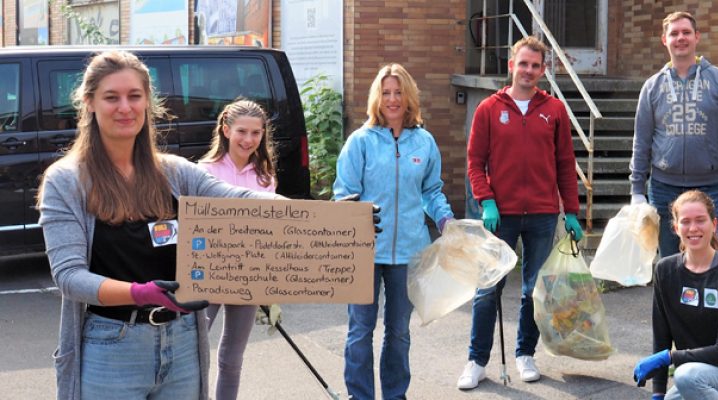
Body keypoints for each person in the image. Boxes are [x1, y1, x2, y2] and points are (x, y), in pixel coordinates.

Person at [37, 51, 281, 400]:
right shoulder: (67, 180)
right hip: (111, 348)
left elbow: (234, 198)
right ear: (89, 102)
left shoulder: (176, 172)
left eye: (135, 96)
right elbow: (69, 277)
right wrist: (140, 293)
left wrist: (321, 216)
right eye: (112, 97)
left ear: (148, 101)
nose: (125, 107)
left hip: (182, 345)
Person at [460, 35, 583, 389]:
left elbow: (565, 163)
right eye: (522, 64)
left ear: (542, 70)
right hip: (502, 215)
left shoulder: (554, 110)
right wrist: (486, 200)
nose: (528, 70)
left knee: (533, 290)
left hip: (543, 214)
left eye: (535, 65)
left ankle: (524, 354)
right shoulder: (488, 108)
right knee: (488, 290)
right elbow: (474, 162)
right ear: (511, 65)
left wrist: (571, 212)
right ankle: (476, 360)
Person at [333, 63, 454, 400]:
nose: (392, 99)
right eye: (386, 92)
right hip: (365, 252)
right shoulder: (361, 142)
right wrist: (351, 210)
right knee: (360, 331)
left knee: (399, 333)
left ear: (409, 96)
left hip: (409, 252)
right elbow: (343, 192)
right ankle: (360, 396)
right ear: (377, 97)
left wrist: (445, 221)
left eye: (399, 92)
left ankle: (395, 395)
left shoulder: (424, 142)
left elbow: (432, 191)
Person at [629, 11, 718, 268]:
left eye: (686, 32)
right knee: (671, 267)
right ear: (664, 40)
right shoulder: (652, 86)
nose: (680, 38)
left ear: (697, 37)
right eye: (674, 33)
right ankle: (674, 311)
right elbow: (642, 141)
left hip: (709, 188)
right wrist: (637, 190)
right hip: (663, 190)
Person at [633, 190, 718, 400]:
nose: (693, 228)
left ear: (714, 225)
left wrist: (669, 357)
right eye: (685, 222)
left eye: (700, 220)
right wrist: (658, 393)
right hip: (699, 374)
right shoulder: (665, 271)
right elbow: (661, 338)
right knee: (684, 380)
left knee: (686, 375)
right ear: (676, 227)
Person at [197, 99, 277, 400]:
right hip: (208, 275)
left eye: (256, 133)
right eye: (242, 131)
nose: (248, 139)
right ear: (226, 130)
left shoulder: (264, 177)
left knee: (232, 360)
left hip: (249, 275)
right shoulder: (204, 170)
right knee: (194, 356)